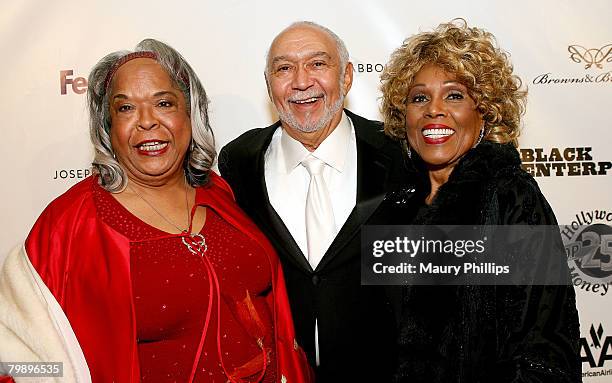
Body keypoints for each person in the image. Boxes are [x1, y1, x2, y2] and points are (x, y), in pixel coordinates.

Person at [0, 39, 312, 383]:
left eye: (164, 103)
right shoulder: (68, 225)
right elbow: (16, 361)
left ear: (189, 115)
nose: (147, 121)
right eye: (125, 109)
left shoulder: (218, 192)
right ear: (107, 127)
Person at [373, 19, 581, 382]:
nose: (434, 110)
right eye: (419, 97)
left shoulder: (511, 197)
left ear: (485, 111)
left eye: (454, 95)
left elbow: (543, 346)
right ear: (403, 115)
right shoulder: (394, 207)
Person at [219, 21, 406, 382]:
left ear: (348, 77)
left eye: (318, 64)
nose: (301, 81)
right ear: (269, 84)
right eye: (284, 68)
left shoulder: (399, 151)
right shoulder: (238, 160)